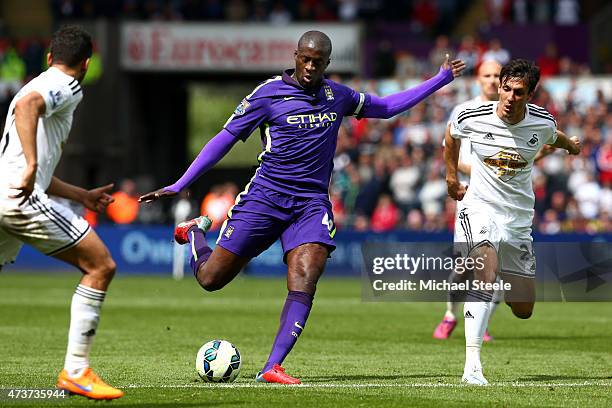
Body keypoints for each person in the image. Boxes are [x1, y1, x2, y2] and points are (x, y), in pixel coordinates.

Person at [140, 30, 465, 384]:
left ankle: (272, 366)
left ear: (327, 63)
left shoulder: (337, 96)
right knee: (210, 278)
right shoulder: (267, 94)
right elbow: (224, 139)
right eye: (305, 59)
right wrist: (181, 183)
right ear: (295, 56)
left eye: (318, 61)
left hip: (310, 204)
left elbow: (386, 108)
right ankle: (195, 232)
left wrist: (440, 79)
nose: (310, 66)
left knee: (305, 276)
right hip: (264, 197)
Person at [0, 26, 123, 400]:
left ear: (50, 56)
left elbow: (26, 160)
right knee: (100, 265)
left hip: (5, 191)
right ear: (86, 64)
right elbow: (28, 108)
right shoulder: (66, 86)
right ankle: (76, 371)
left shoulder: (33, 81)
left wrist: (81, 194)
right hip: (17, 198)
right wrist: (34, 166)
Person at [445, 59, 581, 385]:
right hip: (479, 208)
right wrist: (451, 178)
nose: (508, 97)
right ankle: (472, 366)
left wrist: (571, 146)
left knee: (523, 308)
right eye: (505, 89)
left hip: (518, 219)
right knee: (485, 271)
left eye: (518, 92)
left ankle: (505, 283)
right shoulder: (472, 117)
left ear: (530, 94)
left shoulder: (541, 121)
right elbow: (450, 138)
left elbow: (555, 136)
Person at [433, 60, 555, 342]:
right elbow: (453, 148)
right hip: (473, 198)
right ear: (480, 80)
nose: (491, 81)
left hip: (512, 208)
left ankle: (481, 321)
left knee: (494, 277)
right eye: (487, 76)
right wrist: (476, 172)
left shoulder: (534, 120)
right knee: (465, 267)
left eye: (493, 75)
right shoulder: (466, 112)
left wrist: (553, 151)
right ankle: (451, 315)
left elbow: (527, 154)